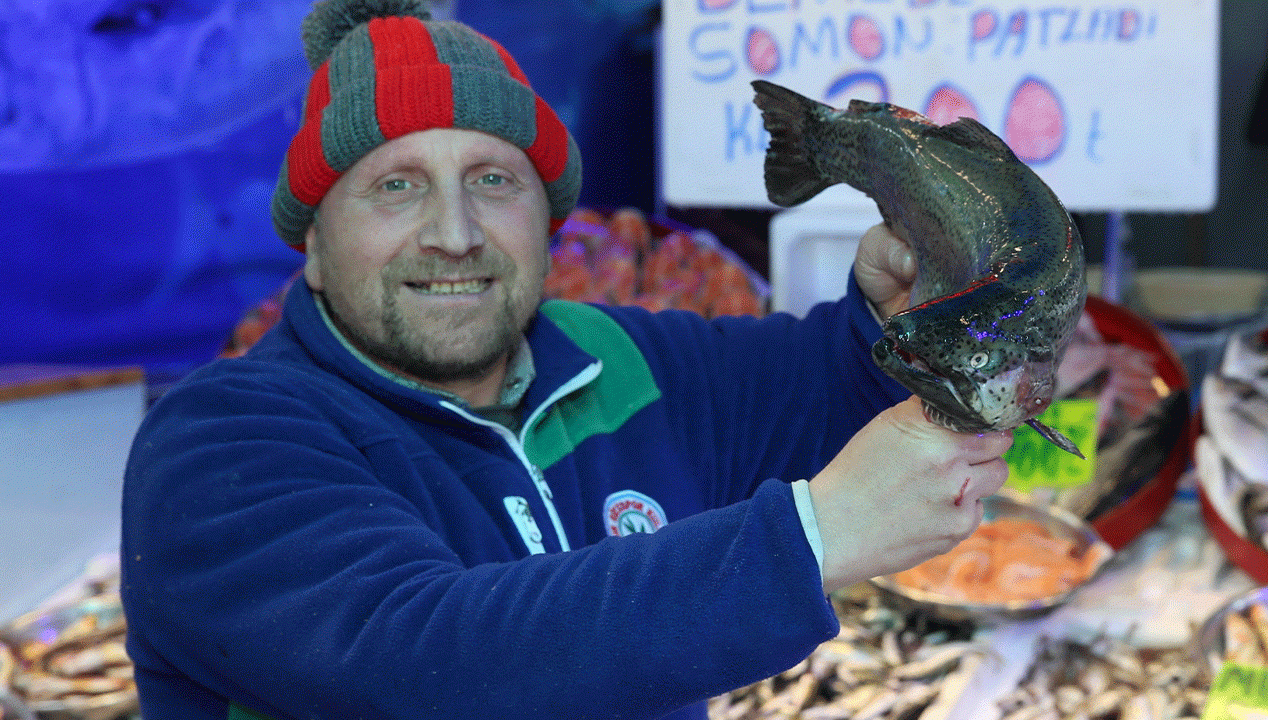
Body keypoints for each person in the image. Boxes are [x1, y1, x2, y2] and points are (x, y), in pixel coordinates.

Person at [120, 1, 1013, 718]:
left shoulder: (618, 356)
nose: (454, 234)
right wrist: (811, 538)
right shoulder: (219, 444)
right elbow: (424, 663)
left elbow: (834, 384)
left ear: (550, 221)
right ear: (313, 241)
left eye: (493, 181)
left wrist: (902, 320)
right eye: (396, 186)